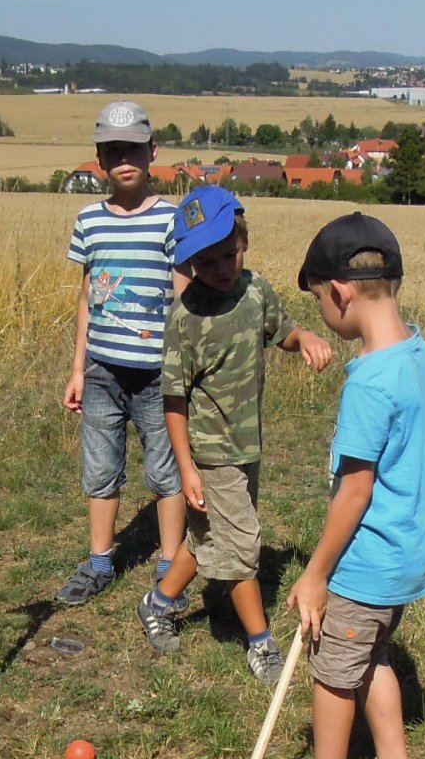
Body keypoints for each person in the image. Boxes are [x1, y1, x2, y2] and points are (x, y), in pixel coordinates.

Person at [255, 214, 425, 759]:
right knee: (374, 656)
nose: (322, 314)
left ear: (338, 291)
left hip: (370, 555)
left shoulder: (368, 381)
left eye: (318, 301)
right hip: (410, 547)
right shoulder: (414, 349)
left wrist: (316, 575)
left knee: (335, 668)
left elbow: (354, 493)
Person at [140, 187, 333, 682]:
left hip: (248, 446)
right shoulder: (185, 319)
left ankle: (158, 603)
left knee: (208, 537)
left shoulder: (256, 291)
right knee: (243, 548)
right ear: (188, 263)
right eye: (205, 262)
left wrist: (304, 337)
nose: (221, 268)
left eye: (229, 254)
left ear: (244, 241)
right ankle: (261, 641)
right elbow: (174, 399)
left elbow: (281, 330)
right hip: (210, 451)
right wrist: (186, 468)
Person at [56, 100, 188, 607]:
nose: (123, 158)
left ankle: (169, 562)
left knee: (166, 470)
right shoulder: (89, 220)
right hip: (101, 371)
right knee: (99, 467)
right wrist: (77, 368)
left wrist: (184, 369)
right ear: (99, 158)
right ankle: (99, 563)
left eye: (133, 148)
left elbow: (183, 298)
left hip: (159, 374)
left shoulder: (174, 219)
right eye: (113, 150)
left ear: (152, 151)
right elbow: (87, 298)